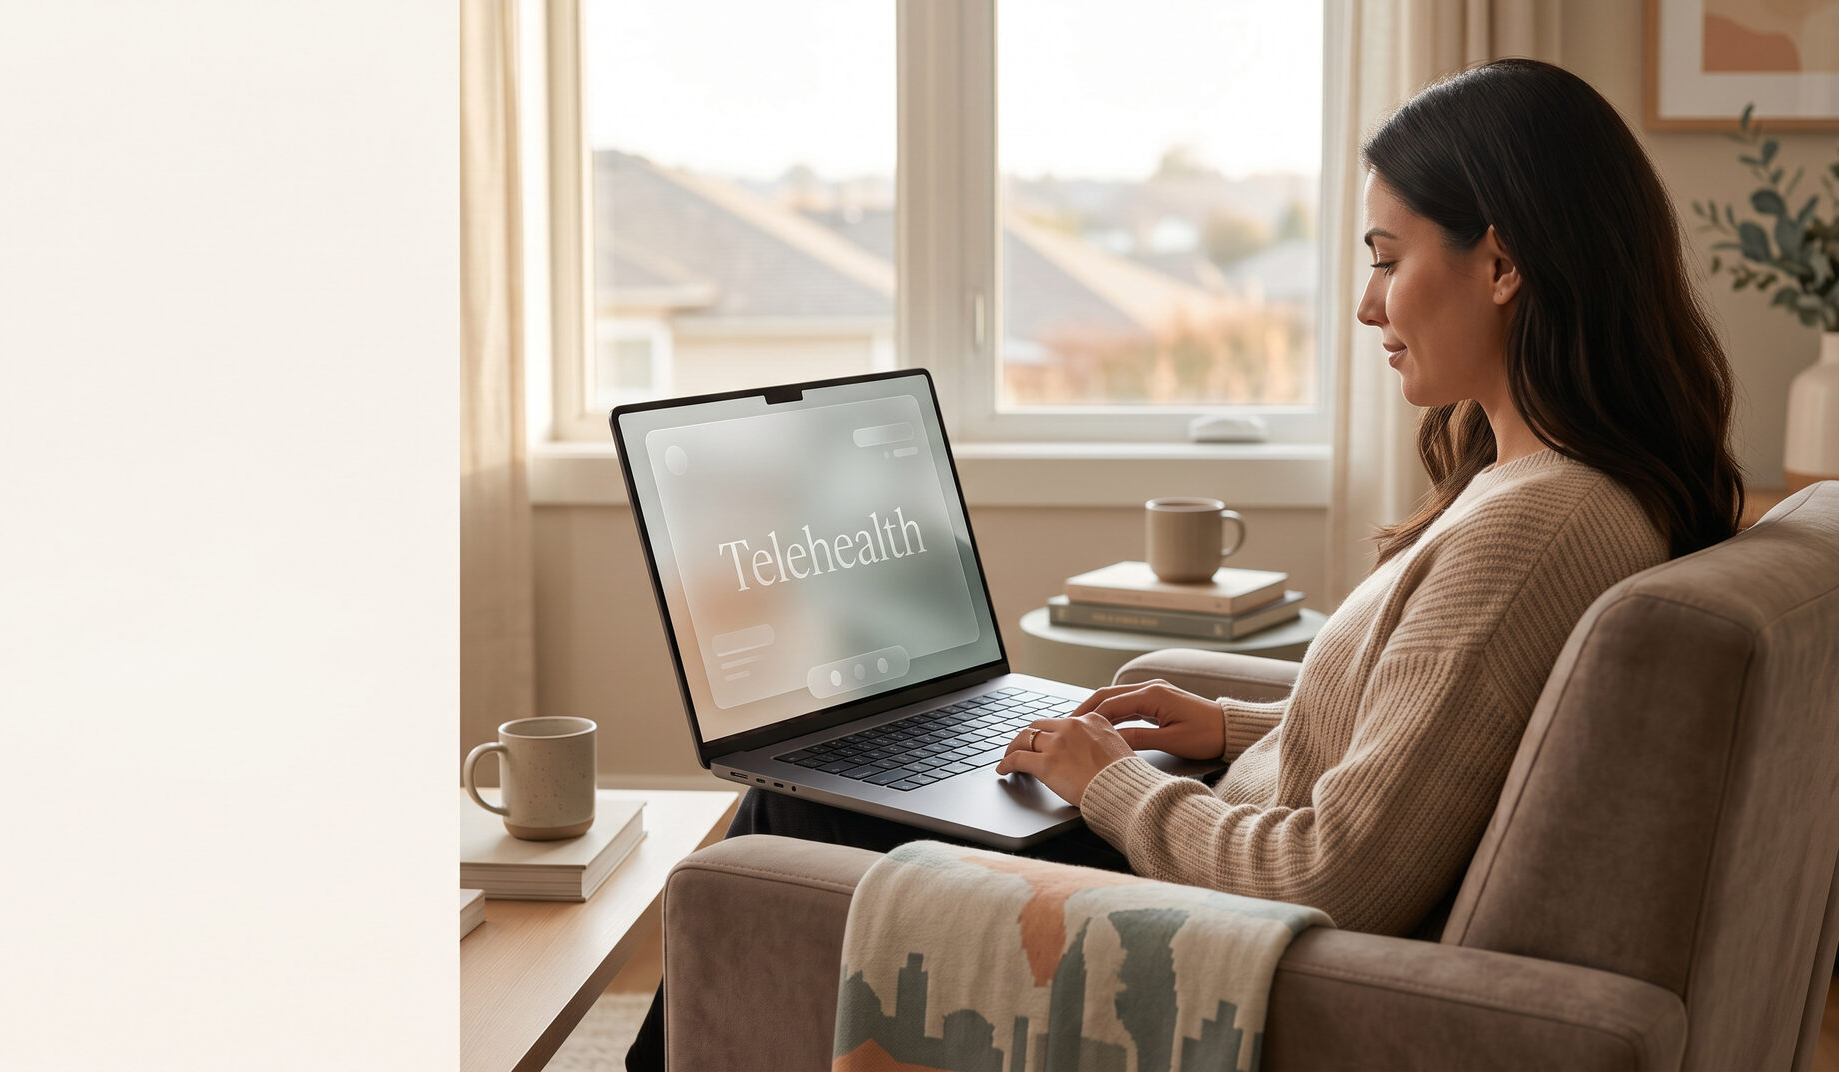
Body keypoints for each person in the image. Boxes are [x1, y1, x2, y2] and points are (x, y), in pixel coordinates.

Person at [627, 56, 1744, 1070]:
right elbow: (1443, 736)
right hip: (1214, 832)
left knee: (784, 820)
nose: (1367, 306)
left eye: (1389, 261)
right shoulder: (1572, 490)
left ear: (1500, 262)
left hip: (1219, 908)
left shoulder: (1534, 525)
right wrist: (1230, 730)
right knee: (873, 784)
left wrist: (1109, 784)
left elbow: (1335, 876)